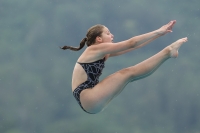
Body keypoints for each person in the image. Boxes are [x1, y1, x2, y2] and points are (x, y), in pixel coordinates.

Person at [61, 20, 188, 114]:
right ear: (99, 39)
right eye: (108, 33)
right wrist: (158, 31)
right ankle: (168, 51)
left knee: (129, 76)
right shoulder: (94, 49)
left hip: (89, 100)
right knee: (128, 73)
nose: (112, 36)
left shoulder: (101, 52)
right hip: (88, 96)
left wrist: (158, 35)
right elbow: (131, 43)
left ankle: (168, 53)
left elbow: (134, 46)